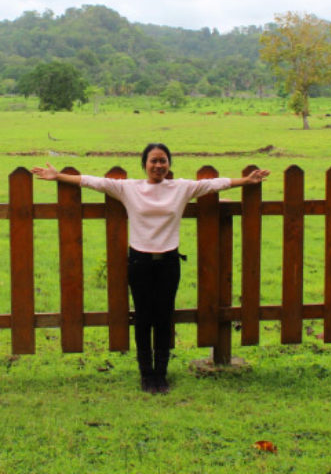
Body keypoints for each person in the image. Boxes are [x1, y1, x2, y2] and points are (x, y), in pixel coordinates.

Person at [32, 143, 270, 394]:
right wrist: (58, 176)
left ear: (169, 164)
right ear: (144, 164)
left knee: (164, 318)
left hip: (168, 263)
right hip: (139, 263)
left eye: (163, 161)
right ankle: (146, 374)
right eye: (153, 161)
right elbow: (94, 182)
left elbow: (214, 184)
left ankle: (161, 374)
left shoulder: (181, 188)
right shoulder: (129, 189)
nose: (158, 166)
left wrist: (246, 180)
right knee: (144, 318)